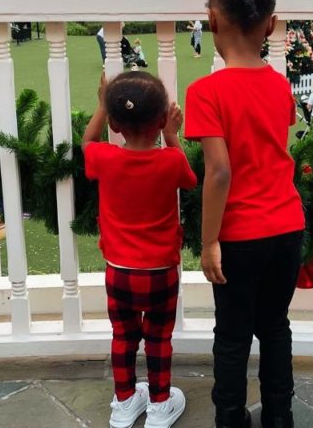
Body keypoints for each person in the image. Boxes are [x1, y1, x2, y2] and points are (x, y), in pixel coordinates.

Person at [184, 0, 304, 428]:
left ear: (213, 20)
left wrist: (209, 241)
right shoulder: (279, 84)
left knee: (233, 337)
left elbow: (219, 173)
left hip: (238, 237)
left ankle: (231, 419)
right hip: (286, 228)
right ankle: (279, 417)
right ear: (270, 25)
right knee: (275, 328)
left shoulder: (206, 92)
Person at [82, 71, 196, 428]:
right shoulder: (171, 161)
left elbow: (88, 141)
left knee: (123, 337)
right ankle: (160, 405)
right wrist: (172, 136)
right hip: (161, 271)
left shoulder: (105, 158)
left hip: (119, 271)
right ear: (161, 119)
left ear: (115, 124)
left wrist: (102, 105)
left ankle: (125, 401)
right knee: (159, 338)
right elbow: (190, 181)